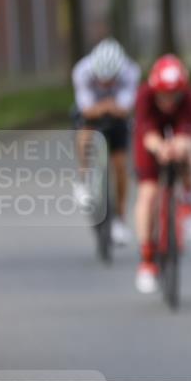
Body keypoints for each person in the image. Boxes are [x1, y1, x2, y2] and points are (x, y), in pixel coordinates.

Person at [132, 55, 191, 294]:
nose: (169, 101)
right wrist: (161, 148)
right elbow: (147, 134)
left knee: (189, 153)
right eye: (164, 95)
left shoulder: (189, 98)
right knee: (148, 194)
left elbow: (186, 134)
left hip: (177, 138)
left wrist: (178, 147)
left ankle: (189, 201)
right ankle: (147, 258)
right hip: (150, 140)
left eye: (175, 95)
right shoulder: (143, 97)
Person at [71, 38, 140, 245]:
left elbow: (125, 107)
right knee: (84, 135)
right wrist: (106, 106)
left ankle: (119, 220)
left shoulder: (130, 71)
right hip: (93, 113)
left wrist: (112, 107)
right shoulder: (82, 70)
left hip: (117, 115)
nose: (106, 83)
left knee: (120, 167)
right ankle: (84, 180)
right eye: (101, 79)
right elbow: (86, 108)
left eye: (110, 80)